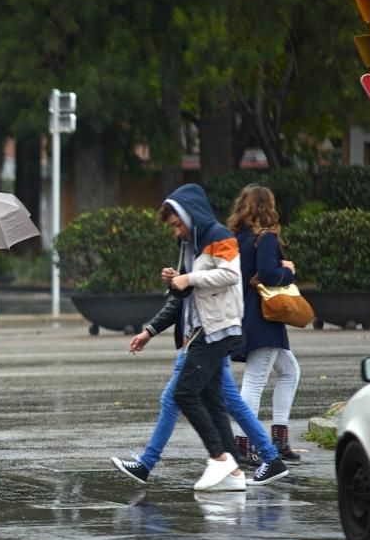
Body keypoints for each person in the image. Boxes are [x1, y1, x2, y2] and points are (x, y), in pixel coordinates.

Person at [110, 290, 289, 486]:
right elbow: (183, 300)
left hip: (203, 340)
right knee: (230, 402)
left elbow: (184, 299)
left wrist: (181, 284)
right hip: (209, 338)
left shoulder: (210, 262)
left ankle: (148, 463)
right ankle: (261, 461)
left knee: (174, 399)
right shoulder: (203, 264)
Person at [148, 183, 248, 491]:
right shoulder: (191, 243)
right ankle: (234, 474)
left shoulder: (218, 235)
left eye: (178, 224)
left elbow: (231, 275)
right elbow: (191, 290)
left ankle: (219, 460)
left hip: (218, 328)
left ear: (190, 216)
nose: (176, 231)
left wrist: (188, 277)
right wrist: (175, 281)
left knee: (184, 393)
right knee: (212, 399)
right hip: (204, 327)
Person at [227, 184, 302, 462]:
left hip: (245, 314)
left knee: (290, 371)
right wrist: (288, 271)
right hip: (264, 319)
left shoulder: (235, 240)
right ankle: (243, 445)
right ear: (266, 207)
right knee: (254, 382)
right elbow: (270, 274)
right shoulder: (266, 238)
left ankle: (279, 440)